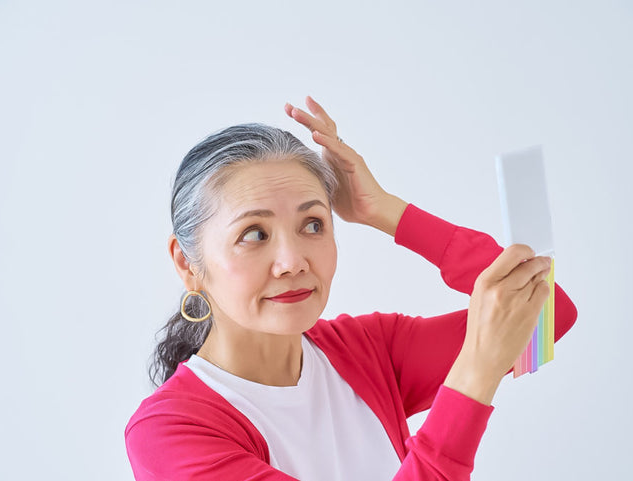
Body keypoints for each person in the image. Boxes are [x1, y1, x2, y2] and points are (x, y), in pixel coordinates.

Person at [124, 96, 578, 481]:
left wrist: (384, 211)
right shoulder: (169, 431)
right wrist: (475, 373)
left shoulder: (367, 350)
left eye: (313, 224)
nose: (293, 261)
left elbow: (549, 313)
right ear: (188, 263)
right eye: (255, 234)